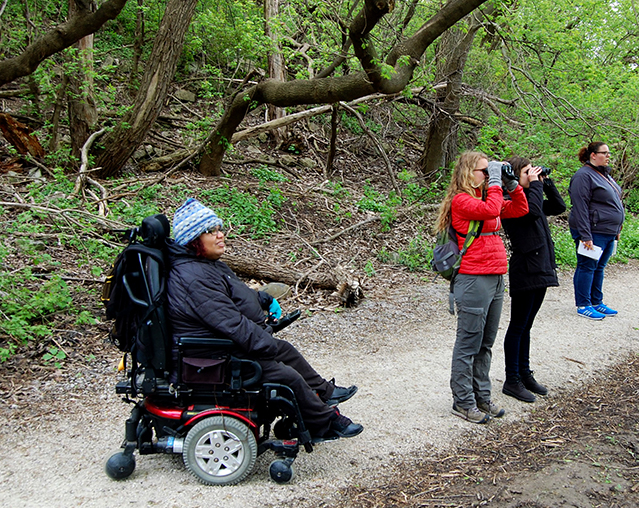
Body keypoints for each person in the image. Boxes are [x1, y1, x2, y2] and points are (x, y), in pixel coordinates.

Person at [166, 198, 363, 439]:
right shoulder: (194, 278)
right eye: (210, 231)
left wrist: (264, 300)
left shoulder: (205, 265)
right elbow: (232, 324)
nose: (220, 235)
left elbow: (236, 293)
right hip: (210, 359)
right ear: (194, 240)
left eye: (219, 228)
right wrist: (265, 344)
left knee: (285, 350)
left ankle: (324, 392)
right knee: (284, 373)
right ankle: (325, 421)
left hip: (223, 348)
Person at [435, 151, 529, 424]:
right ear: (468, 173)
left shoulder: (485, 197)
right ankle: (463, 402)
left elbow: (519, 209)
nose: (488, 176)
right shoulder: (462, 200)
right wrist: (497, 183)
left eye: (490, 172)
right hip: (473, 278)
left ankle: (482, 397)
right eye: (484, 172)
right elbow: (491, 210)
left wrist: (511, 185)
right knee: (468, 344)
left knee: (486, 343)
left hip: (496, 276)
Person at [501, 158, 566, 403]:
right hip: (525, 268)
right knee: (518, 325)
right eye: (528, 172)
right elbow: (533, 211)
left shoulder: (533, 196)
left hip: (540, 266)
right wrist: (536, 186)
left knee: (527, 325)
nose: (534, 175)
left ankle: (524, 373)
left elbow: (558, 207)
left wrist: (546, 183)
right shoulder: (510, 203)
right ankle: (511, 379)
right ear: (516, 177)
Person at [568, 142, 625, 320]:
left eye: (609, 153)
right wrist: (586, 235)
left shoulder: (603, 175)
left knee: (599, 267)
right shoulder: (583, 176)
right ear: (593, 155)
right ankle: (583, 304)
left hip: (608, 231)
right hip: (593, 231)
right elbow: (580, 207)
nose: (609, 156)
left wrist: (617, 228)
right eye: (605, 153)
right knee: (587, 266)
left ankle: (596, 301)